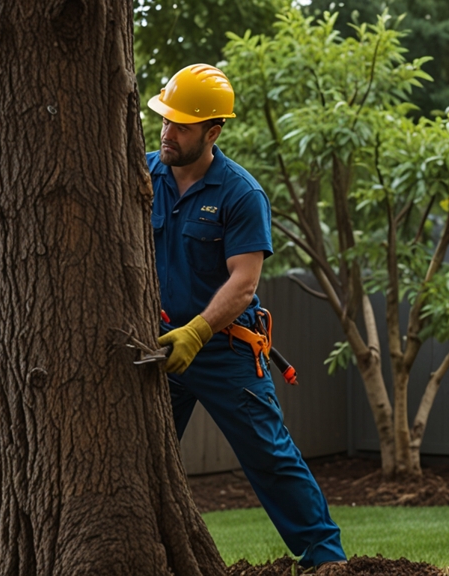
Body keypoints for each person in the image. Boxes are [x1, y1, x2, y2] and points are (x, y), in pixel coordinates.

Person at [146, 64, 347, 572]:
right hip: (160, 347)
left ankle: (327, 560)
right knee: (137, 455)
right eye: (165, 121)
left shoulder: (240, 194)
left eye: (181, 126)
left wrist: (197, 332)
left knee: (270, 456)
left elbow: (244, 283)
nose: (168, 133)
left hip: (224, 348)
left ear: (213, 131)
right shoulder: (141, 177)